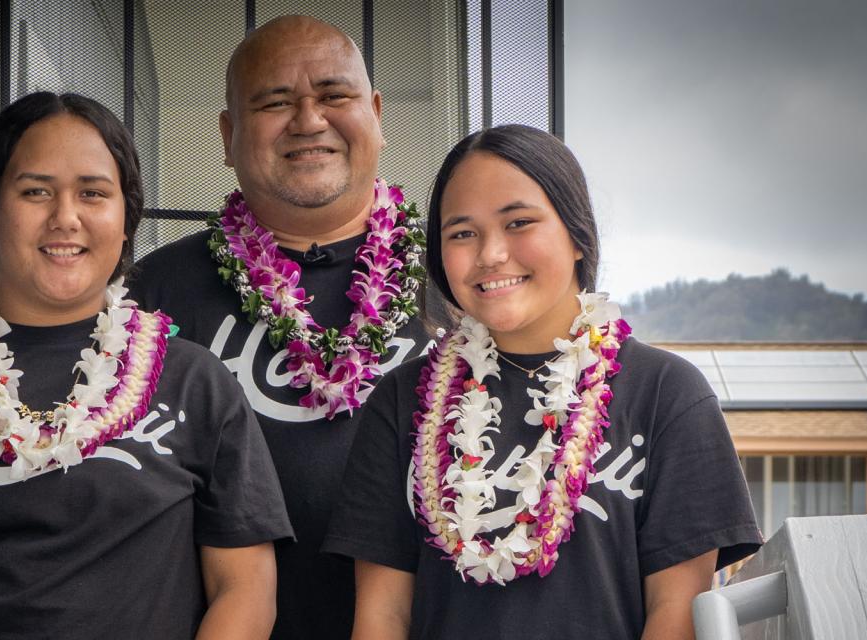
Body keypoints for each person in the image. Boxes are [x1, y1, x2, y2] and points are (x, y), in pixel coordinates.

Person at [0, 91, 292, 639]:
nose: (65, 218)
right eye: (36, 191)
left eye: (93, 193)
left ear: (124, 219)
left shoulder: (195, 383)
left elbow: (247, 589)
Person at [322, 124, 762, 638]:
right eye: (462, 233)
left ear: (577, 236)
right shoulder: (405, 402)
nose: (490, 254)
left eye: (518, 223)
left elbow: (677, 610)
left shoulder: (667, 394)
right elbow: (383, 615)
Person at [129, 15, 433, 639]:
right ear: (229, 133)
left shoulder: (457, 283)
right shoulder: (149, 296)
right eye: (274, 102)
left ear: (375, 111)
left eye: (334, 95)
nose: (308, 120)